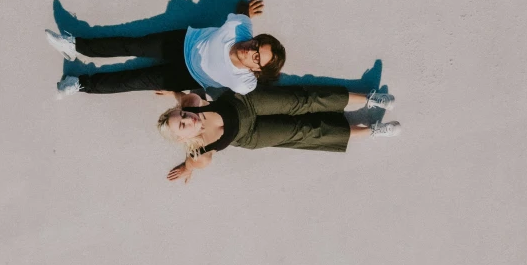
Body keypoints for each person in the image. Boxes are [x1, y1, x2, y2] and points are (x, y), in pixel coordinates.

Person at [156, 86, 401, 183]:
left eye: (183, 116)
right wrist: (187, 168)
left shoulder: (191, 103)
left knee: (304, 101)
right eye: (183, 125)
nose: (189, 119)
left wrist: (172, 94)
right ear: (182, 139)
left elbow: (182, 97)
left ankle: (370, 99)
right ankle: (373, 130)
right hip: (249, 134)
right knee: (306, 132)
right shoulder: (200, 153)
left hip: (246, 104)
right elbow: (192, 162)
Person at [45, 0, 286, 96]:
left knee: (132, 81)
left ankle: (79, 84)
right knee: (132, 45)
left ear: (256, 70)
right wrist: (247, 10)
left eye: (257, 57)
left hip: (186, 76)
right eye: (256, 44)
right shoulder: (240, 28)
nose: (249, 49)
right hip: (182, 43)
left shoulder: (246, 84)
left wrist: (180, 97)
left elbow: (219, 97)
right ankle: (73, 45)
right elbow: (242, 11)